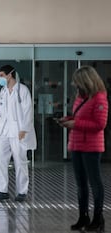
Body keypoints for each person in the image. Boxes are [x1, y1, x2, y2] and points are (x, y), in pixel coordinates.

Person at [57, 66, 107, 232]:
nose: (75, 86)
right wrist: (68, 120)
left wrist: (75, 124)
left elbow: (100, 124)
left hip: (92, 147)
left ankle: (98, 218)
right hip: (77, 145)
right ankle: (83, 217)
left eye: (78, 82)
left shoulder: (100, 98)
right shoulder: (80, 97)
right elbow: (79, 117)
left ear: (87, 81)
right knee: (80, 185)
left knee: (95, 183)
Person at [0, 65, 36, 202]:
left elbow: (28, 111)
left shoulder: (22, 90)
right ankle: (2, 190)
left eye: (1, 75)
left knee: (20, 160)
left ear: (9, 75)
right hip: (4, 131)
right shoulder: (3, 91)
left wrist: (24, 129)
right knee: (0, 159)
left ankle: (22, 191)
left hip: (18, 131)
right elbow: (0, 109)